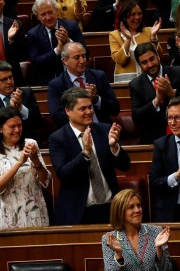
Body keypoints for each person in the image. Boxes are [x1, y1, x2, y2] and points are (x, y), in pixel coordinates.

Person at [48, 87, 130, 225]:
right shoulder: (58, 138)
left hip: (109, 208)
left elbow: (125, 166)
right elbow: (64, 174)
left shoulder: (104, 130)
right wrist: (85, 153)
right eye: (82, 109)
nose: (89, 112)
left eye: (90, 107)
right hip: (78, 212)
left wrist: (114, 147)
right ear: (68, 111)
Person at [102, 189, 176, 271]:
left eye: (139, 206)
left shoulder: (156, 232)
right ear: (120, 211)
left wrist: (159, 250)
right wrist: (119, 255)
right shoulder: (109, 239)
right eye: (131, 207)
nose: (137, 210)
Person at [130, 42, 180, 144]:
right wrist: (156, 101)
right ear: (139, 65)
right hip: (154, 140)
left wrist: (172, 93)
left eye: (152, 59)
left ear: (158, 56)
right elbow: (137, 117)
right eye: (144, 62)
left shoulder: (179, 72)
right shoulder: (135, 85)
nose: (150, 65)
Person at [48, 42, 120, 128]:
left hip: (101, 130)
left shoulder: (99, 76)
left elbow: (115, 109)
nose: (82, 61)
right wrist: (78, 107)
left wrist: (96, 99)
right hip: (75, 134)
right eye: (77, 57)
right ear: (65, 61)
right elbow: (57, 118)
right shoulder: (56, 84)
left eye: (84, 56)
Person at [0, 107, 50, 230]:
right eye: (12, 126)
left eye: (19, 125)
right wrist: (19, 163)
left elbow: (46, 181)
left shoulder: (30, 144)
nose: (17, 130)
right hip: (9, 215)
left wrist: (35, 160)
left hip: (35, 211)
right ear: (1, 128)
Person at [26, 0, 86, 86]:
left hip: (74, 79)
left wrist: (68, 42)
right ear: (37, 17)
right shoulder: (33, 34)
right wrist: (57, 50)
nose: (48, 17)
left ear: (56, 11)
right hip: (48, 81)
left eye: (50, 12)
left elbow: (86, 52)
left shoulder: (71, 26)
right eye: (43, 15)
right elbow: (36, 62)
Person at [109, 0, 162, 83]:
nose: (137, 17)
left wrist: (154, 37)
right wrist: (128, 39)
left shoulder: (149, 31)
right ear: (125, 16)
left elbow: (158, 57)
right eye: (133, 14)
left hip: (148, 79)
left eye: (139, 13)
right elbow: (120, 61)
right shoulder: (115, 35)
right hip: (125, 81)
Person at [0, 62, 43, 141]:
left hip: (25, 142)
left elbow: (38, 123)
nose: (9, 82)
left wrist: (21, 108)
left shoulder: (26, 93)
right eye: (4, 80)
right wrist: (12, 110)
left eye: (10, 77)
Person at [0, 0, 28, 87]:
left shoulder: (16, 25)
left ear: (3, 1)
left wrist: (10, 41)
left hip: (12, 80)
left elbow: (23, 54)